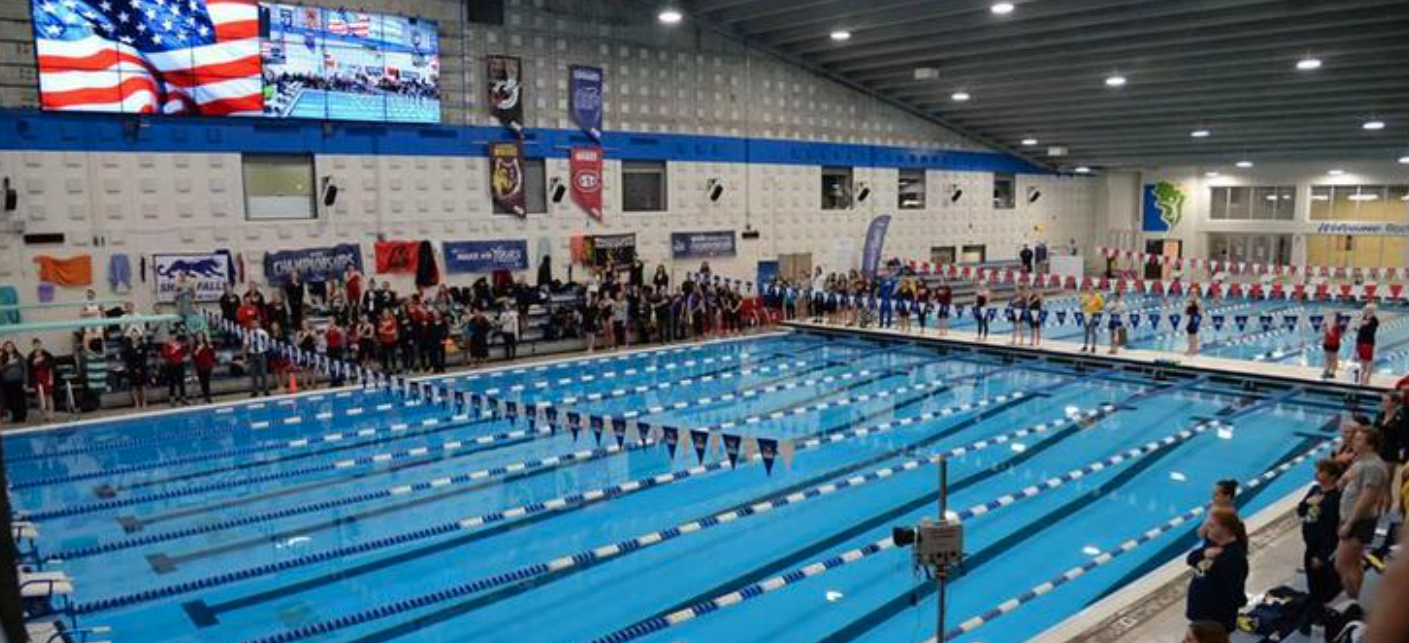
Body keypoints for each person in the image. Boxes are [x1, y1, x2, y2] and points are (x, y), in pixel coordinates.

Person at [1335, 426, 1390, 600]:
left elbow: (1367, 499)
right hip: (1353, 519)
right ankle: (1355, 597)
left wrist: (1349, 524)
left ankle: (1353, 600)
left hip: (1359, 521)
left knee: (1342, 564)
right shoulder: (1361, 461)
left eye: (1358, 439)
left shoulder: (1373, 467)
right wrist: (1344, 477)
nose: (1353, 441)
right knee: (1354, 562)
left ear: (1370, 446)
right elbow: (1343, 483)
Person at [1297, 458, 1344, 634]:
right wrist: (1309, 502)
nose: (1316, 474)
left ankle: (1319, 623)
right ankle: (1314, 617)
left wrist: (1323, 555)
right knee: (1313, 584)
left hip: (1321, 550)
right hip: (1310, 546)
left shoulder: (1334, 500)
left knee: (1321, 587)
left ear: (1332, 476)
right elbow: (1300, 511)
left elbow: (1332, 531)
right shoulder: (1315, 489)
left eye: (1321, 471)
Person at [1185, 507, 1249, 632]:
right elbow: (1190, 559)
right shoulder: (1212, 541)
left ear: (1224, 529)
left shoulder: (1233, 557)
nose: (1208, 528)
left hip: (1216, 618)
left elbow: (1235, 592)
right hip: (1199, 610)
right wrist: (1204, 552)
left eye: (1212, 525)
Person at [0, 341, 29, 423]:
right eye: (7, 346)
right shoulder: (2, 358)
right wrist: (8, 364)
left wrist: (25, 382)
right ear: (5, 348)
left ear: (13, 347)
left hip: (19, 381)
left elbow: (25, 369)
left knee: (20, 400)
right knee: (11, 401)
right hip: (7, 383)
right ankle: (15, 417)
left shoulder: (19, 356)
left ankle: (22, 417)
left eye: (10, 346)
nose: (9, 348)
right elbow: (1, 369)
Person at [27, 339, 54, 421]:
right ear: (33, 346)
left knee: (48, 396)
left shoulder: (47, 354)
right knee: (39, 397)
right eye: (35, 345)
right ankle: (43, 414)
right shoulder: (31, 356)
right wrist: (34, 363)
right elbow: (29, 369)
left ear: (41, 344)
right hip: (36, 378)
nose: (37, 346)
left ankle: (51, 413)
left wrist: (51, 378)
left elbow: (51, 367)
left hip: (46, 377)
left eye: (38, 344)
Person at [122, 328, 150, 408]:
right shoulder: (127, 347)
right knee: (134, 386)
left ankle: (144, 402)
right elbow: (127, 359)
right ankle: (136, 403)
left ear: (138, 336)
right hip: (132, 369)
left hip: (142, 368)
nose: (134, 337)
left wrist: (140, 368)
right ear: (130, 337)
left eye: (136, 335)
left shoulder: (142, 345)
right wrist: (133, 368)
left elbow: (144, 357)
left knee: (143, 386)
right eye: (133, 335)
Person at [1354, 304, 1379, 385]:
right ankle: (1361, 379)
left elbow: (1369, 330)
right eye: (1365, 309)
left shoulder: (1374, 320)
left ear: (1372, 311)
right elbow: (1358, 330)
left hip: (1368, 343)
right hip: (1360, 342)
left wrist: (1363, 323)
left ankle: (1367, 378)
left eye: (1367, 309)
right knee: (1362, 362)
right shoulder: (1364, 318)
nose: (1365, 310)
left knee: (1369, 362)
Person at [161, 334, 188, 406]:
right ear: (169, 337)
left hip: (180, 364)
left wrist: (184, 346)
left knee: (181, 381)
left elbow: (184, 353)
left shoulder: (179, 343)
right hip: (171, 365)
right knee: (172, 382)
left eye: (174, 336)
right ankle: (172, 399)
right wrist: (174, 349)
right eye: (171, 336)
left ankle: (183, 398)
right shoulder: (166, 345)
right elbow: (165, 354)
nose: (173, 337)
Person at [245, 324, 271, 397]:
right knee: (253, 374)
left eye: (255, 323)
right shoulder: (249, 334)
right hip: (252, 354)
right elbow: (246, 344)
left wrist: (264, 351)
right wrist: (245, 356)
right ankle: (254, 391)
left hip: (261, 353)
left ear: (258, 324)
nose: (254, 325)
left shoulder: (264, 333)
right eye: (253, 323)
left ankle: (266, 390)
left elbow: (267, 342)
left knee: (263, 373)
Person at [192, 332, 216, 404]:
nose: (200, 338)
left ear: (203, 337)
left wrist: (212, 363)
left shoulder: (207, 344)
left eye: (201, 336)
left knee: (207, 382)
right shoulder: (195, 346)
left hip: (208, 366)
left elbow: (212, 354)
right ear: (196, 338)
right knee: (202, 382)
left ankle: (208, 397)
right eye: (198, 336)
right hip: (200, 367)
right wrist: (198, 349)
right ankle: (205, 396)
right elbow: (194, 356)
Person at [1080, 285, 1104, 353]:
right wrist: (1083, 304)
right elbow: (1081, 305)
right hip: (1086, 315)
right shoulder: (1085, 296)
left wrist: (1096, 309)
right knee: (1086, 331)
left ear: (1094, 290)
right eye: (1089, 289)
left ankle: (1093, 347)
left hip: (1093, 315)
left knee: (1093, 331)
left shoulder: (1098, 297)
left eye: (1092, 289)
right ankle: (1085, 346)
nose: (1090, 291)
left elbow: (1102, 306)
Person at [1322, 314, 1345, 380]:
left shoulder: (1338, 326)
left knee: (1332, 359)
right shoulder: (1331, 325)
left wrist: (1326, 330)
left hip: (1333, 344)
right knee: (1329, 359)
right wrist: (1326, 330)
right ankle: (1328, 371)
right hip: (1329, 343)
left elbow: (1337, 335)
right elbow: (1327, 333)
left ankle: (1330, 372)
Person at [1106, 291, 1127, 355]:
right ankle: (1111, 348)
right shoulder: (1111, 303)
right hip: (1112, 319)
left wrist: (1116, 309)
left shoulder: (1122, 303)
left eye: (1117, 297)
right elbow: (1107, 309)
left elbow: (1124, 310)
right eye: (1114, 296)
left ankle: (1116, 349)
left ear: (1119, 297)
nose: (1115, 298)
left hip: (1118, 319)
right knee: (1111, 335)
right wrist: (1113, 308)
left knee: (1116, 335)